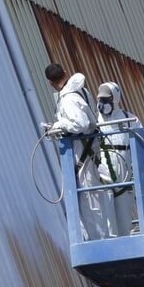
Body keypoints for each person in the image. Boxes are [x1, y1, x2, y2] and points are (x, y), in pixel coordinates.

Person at [42, 63, 108, 239]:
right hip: (90, 148)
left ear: (49, 82)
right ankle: (99, 237)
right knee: (92, 195)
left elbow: (81, 124)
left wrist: (59, 125)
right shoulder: (82, 91)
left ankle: (98, 240)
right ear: (65, 72)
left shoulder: (68, 99)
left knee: (89, 198)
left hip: (83, 151)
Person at [94, 82, 140, 236]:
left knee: (124, 225)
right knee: (108, 224)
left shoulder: (129, 119)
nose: (102, 104)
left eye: (106, 100)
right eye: (101, 100)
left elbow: (143, 141)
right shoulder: (95, 121)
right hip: (104, 177)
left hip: (125, 179)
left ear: (115, 100)